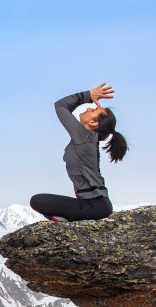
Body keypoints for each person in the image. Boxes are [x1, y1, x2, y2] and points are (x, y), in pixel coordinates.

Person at [30, 83, 129, 222]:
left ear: (94, 123)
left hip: (94, 205)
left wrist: (88, 95)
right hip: (95, 204)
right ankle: (64, 219)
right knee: (39, 202)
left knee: (37, 201)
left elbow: (60, 105)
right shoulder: (87, 138)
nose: (89, 107)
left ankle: (63, 220)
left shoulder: (85, 136)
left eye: (93, 110)